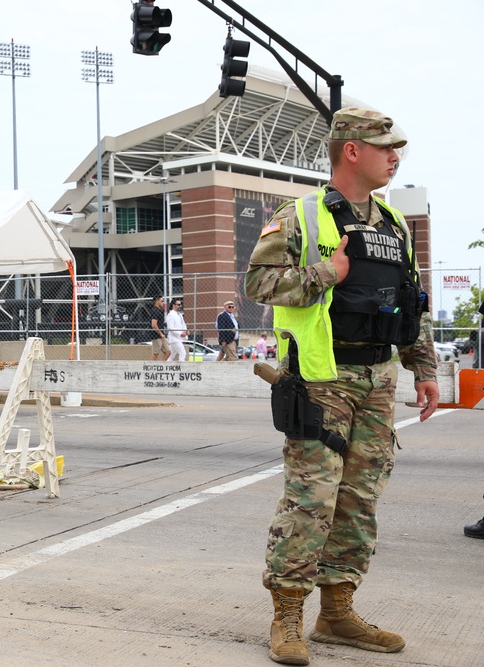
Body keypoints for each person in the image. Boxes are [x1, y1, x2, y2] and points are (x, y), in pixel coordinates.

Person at [245, 108, 439, 665]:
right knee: (311, 500)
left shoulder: (393, 224)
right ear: (351, 150)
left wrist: (423, 368)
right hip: (322, 379)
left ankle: (336, 612)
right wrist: (327, 274)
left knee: (358, 501)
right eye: (386, 147)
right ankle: (287, 615)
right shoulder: (301, 215)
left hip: (379, 377)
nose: (395, 156)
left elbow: (411, 303)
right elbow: (258, 282)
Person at [148, 296, 168, 360]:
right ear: (157, 301)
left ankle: (161, 366)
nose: (163, 303)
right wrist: (160, 333)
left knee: (168, 352)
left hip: (161, 335)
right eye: (162, 301)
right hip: (156, 336)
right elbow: (154, 325)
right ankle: (152, 367)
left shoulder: (159, 311)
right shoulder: (154, 311)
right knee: (156, 353)